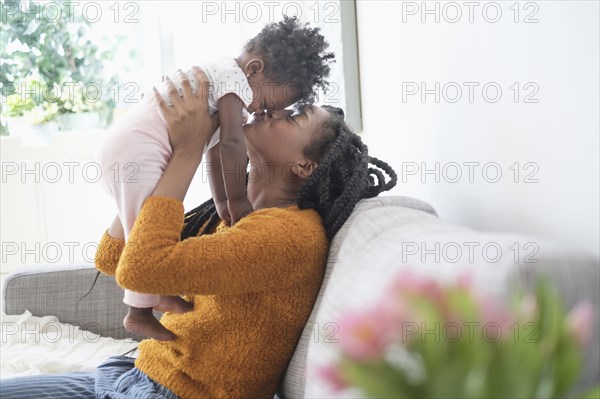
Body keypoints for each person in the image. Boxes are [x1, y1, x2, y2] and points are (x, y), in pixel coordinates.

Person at [0, 70, 397, 399]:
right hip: (138, 370)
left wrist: (186, 153)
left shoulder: (289, 237)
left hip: (176, 393)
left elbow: (141, 270)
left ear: (305, 166)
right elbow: (112, 259)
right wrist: (148, 168)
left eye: (293, 117)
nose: (275, 111)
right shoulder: (237, 214)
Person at [95, 16, 335, 341]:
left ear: (306, 165)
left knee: (141, 225)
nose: (261, 111)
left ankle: (149, 293)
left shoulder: (286, 237)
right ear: (254, 69)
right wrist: (236, 200)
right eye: (265, 102)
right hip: (137, 151)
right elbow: (231, 146)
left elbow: (213, 150)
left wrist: (223, 200)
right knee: (143, 225)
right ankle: (138, 311)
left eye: (285, 114)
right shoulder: (232, 80)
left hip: (128, 147)